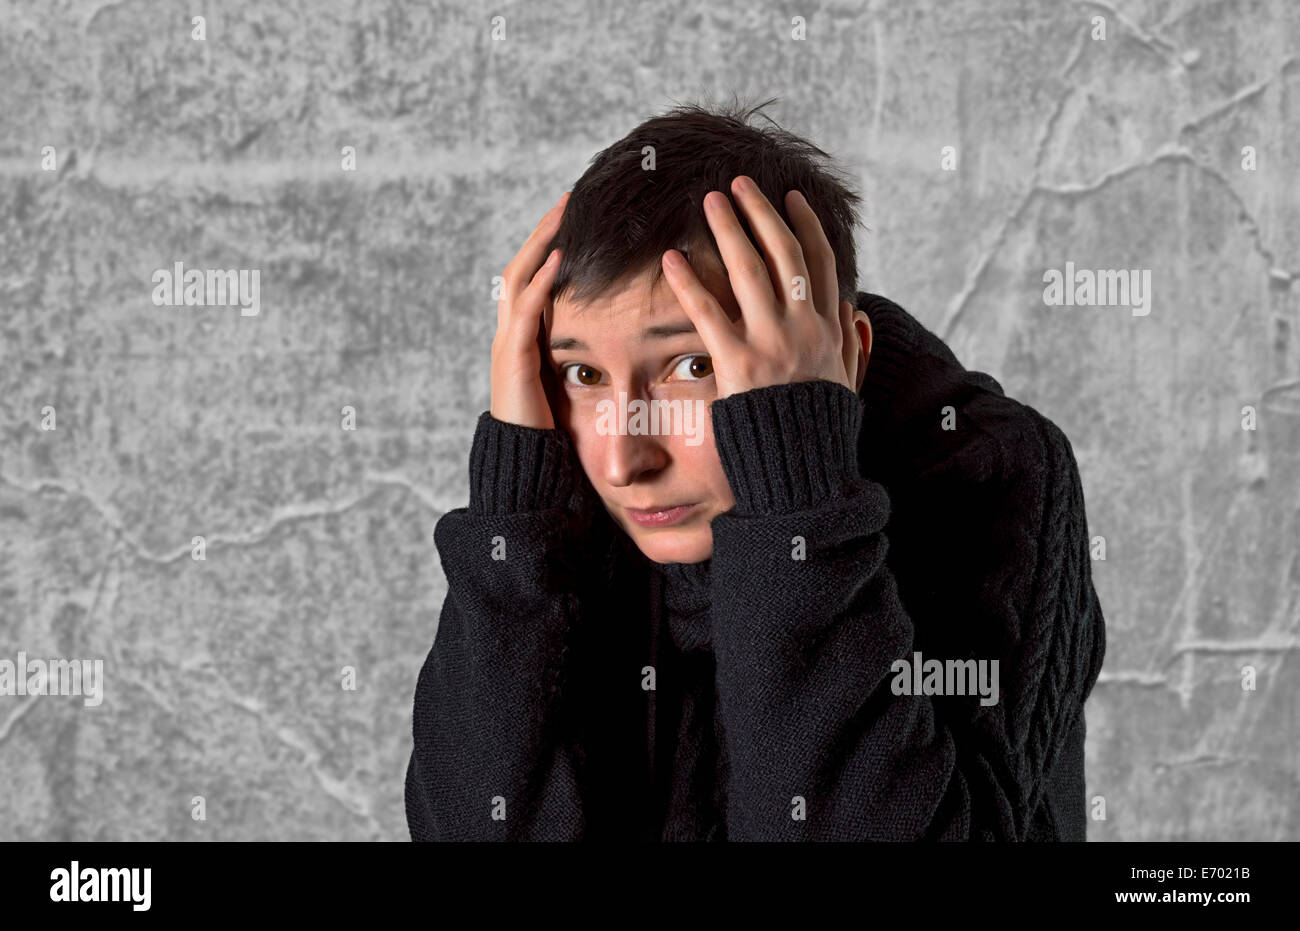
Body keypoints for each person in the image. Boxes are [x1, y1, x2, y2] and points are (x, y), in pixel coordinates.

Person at [405, 99, 1107, 841]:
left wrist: (795, 493)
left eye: (693, 364)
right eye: (581, 373)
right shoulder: (563, 490)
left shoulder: (985, 471)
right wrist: (514, 508)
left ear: (845, 356)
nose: (623, 460)